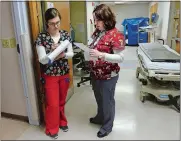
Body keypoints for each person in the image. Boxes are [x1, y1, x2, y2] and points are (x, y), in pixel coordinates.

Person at [35, 8, 74, 139]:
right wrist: (52, 53)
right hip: (50, 75)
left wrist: (62, 54)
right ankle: (51, 129)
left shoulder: (65, 34)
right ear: (47, 23)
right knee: (52, 104)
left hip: (63, 73)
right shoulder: (42, 37)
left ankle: (62, 122)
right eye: (52, 23)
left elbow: (71, 54)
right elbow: (42, 60)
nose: (56, 26)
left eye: (58, 22)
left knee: (62, 101)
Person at [88, 4, 125, 138]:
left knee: (107, 100)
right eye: (94, 19)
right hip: (95, 73)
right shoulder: (97, 32)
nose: (95, 23)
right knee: (99, 98)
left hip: (109, 75)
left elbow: (120, 58)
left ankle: (107, 126)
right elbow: (93, 45)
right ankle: (100, 117)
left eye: (98, 20)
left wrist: (102, 55)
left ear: (106, 19)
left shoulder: (116, 35)